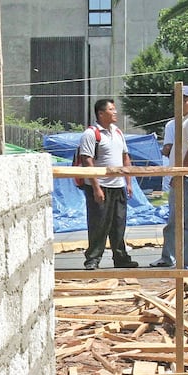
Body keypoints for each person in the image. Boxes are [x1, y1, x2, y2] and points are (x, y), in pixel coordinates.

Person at [150, 85, 188, 272]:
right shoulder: (184, 120)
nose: (180, 104)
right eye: (177, 100)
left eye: (184, 100)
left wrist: (181, 172)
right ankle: (186, 264)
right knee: (183, 223)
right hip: (186, 176)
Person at [78, 98, 139, 270]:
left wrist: (128, 183)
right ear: (101, 113)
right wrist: (96, 187)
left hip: (118, 186)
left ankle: (121, 257)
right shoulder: (91, 134)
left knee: (119, 224)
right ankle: (93, 258)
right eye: (111, 109)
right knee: (99, 224)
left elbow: (125, 157)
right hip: (100, 187)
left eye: (115, 109)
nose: (115, 112)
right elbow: (87, 160)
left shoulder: (118, 132)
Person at [149, 118, 176, 267]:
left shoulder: (173, 124)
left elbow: (167, 149)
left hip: (181, 176)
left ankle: (170, 257)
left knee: (176, 221)